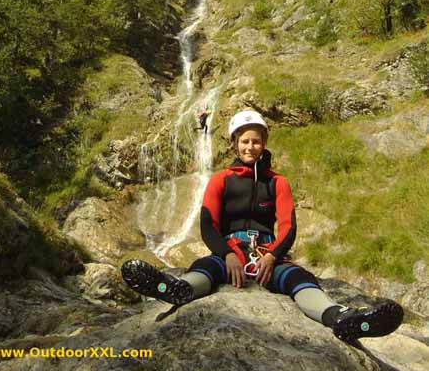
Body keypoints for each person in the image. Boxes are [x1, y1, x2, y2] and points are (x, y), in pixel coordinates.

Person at [122, 110, 403, 341]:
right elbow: (208, 225)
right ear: (234, 143)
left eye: (256, 141)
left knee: (297, 277)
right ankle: (177, 289)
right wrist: (227, 254)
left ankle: (340, 318)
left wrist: (272, 256)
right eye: (244, 141)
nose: (250, 147)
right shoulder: (220, 180)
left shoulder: (277, 182)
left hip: (267, 252)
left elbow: (288, 227)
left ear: (264, 143)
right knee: (207, 267)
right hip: (230, 249)